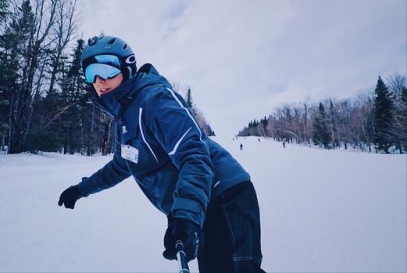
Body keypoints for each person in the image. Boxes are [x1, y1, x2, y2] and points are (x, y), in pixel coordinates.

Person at [58, 35, 264, 273]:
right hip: (200, 203)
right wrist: (80, 190)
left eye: (107, 69)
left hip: (224, 196)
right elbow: (120, 165)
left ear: (127, 68)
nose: (99, 80)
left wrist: (185, 215)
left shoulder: (155, 99)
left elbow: (194, 155)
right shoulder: (125, 119)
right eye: (91, 72)